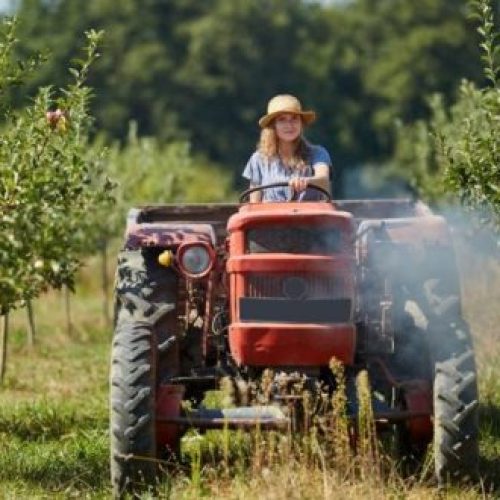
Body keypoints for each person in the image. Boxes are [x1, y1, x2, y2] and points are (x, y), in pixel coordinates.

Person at [242, 94, 332, 202]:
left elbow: (323, 180)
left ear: (301, 123)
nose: (289, 125)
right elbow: (254, 206)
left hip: (309, 216)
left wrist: (306, 181)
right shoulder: (258, 159)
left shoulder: (318, 153)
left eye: (294, 119)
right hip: (270, 217)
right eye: (282, 120)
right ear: (273, 125)